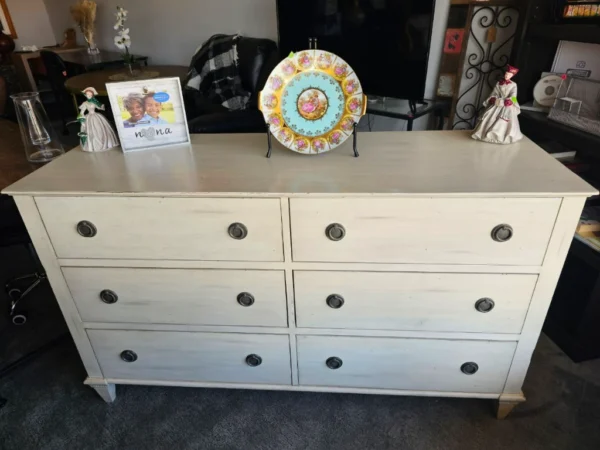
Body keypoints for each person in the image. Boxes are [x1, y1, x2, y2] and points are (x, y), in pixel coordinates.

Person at [471, 65, 523, 145]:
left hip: (506, 104)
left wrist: (511, 101)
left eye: (509, 74)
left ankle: (502, 136)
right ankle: (485, 134)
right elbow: (494, 93)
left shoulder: (513, 85)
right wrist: (492, 98)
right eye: (506, 74)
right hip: (497, 102)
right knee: (488, 115)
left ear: (512, 76)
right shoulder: (499, 83)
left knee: (505, 119)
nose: (506, 75)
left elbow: (514, 96)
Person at [78, 87, 119, 152]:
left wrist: (99, 104)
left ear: (92, 95)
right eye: (87, 95)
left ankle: (104, 143)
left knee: (99, 129)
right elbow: (81, 112)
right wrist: (82, 120)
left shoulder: (94, 101)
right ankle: (92, 146)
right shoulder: (85, 103)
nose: (88, 96)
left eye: (90, 95)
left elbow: (100, 108)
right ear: (85, 95)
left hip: (96, 116)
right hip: (89, 117)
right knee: (91, 131)